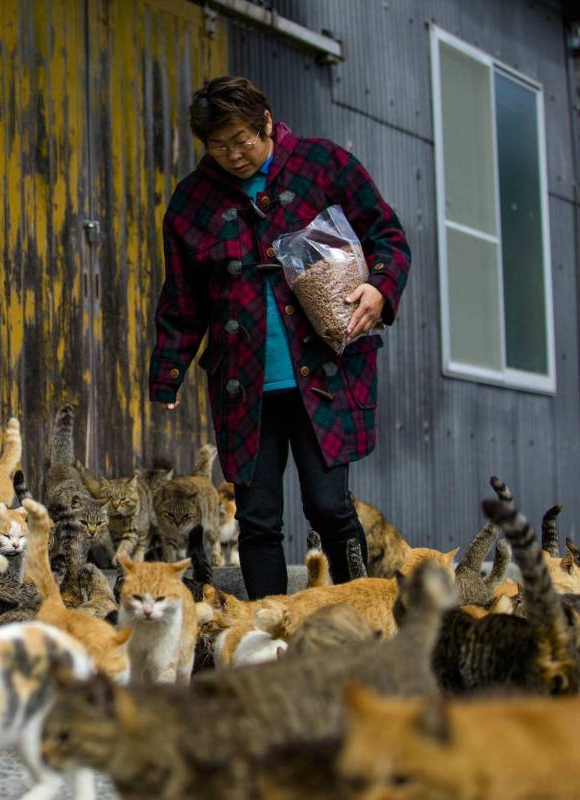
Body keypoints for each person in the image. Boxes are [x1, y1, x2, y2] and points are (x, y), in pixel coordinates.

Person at [149, 76, 410, 599]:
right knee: (258, 517)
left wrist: (380, 288)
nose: (233, 154)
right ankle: (267, 633)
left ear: (266, 122)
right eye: (219, 146)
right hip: (245, 387)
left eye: (242, 139)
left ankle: (359, 614)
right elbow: (182, 299)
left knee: (330, 507)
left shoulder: (323, 164)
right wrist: (169, 373)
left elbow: (387, 234)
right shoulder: (191, 201)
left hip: (326, 372)